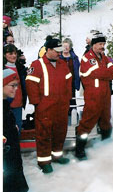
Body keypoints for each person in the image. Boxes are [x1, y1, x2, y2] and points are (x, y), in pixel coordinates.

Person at [26, 38, 72, 173]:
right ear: (49, 50)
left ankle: (57, 156)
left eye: (60, 51)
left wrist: (67, 99)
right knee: (44, 134)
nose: (59, 54)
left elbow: (68, 83)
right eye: (57, 51)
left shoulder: (63, 64)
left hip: (61, 106)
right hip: (45, 107)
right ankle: (44, 161)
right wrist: (37, 104)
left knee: (60, 132)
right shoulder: (37, 65)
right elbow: (30, 84)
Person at [75, 32, 113, 160]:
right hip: (93, 96)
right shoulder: (87, 58)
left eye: (103, 44)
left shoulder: (105, 58)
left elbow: (112, 73)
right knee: (88, 121)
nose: (102, 46)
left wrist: (104, 72)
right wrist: (105, 71)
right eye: (99, 44)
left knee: (106, 120)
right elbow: (95, 71)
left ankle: (106, 144)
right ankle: (80, 148)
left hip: (105, 95)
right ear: (93, 44)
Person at [3, 69, 29, 192]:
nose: (16, 89)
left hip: (13, 159)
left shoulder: (6, 105)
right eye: (12, 85)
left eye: (17, 85)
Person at [4, 44, 27, 132]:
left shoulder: (20, 68)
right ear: (4, 55)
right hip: (6, 105)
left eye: (15, 53)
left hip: (18, 104)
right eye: (10, 53)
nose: (13, 56)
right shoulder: (3, 68)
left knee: (17, 129)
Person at [60, 38, 80, 105]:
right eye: (64, 46)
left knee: (72, 99)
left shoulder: (74, 58)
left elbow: (78, 70)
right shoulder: (58, 57)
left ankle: (72, 112)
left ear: (70, 47)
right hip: (61, 83)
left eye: (67, 46)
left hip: (72, 83)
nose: (65, 48)